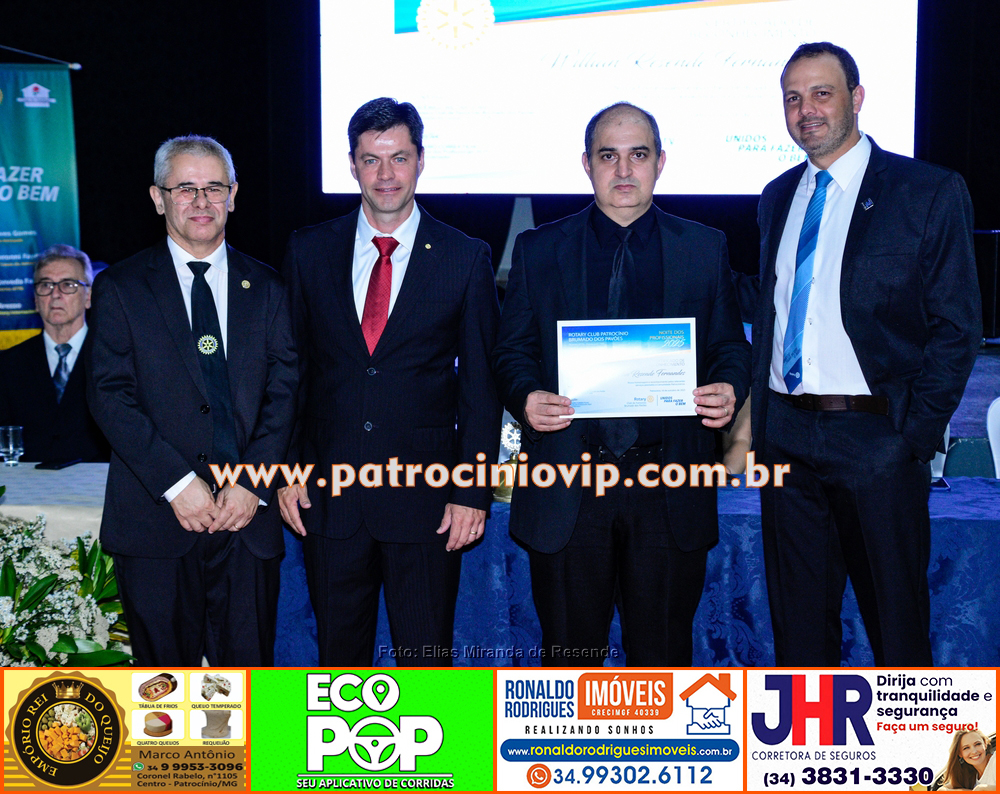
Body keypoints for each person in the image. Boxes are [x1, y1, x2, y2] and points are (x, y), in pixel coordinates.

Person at [492, 102, 750, 666]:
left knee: (662, 662)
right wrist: (526, 396)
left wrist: (728, 386)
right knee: (569, 661)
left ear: (662, 162)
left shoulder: (703, 247)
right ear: (587, 164)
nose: (625, 170)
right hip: (569, 484)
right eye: (609, 156)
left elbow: (730, 347)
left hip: (668, 485)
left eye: (639, 155)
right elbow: (511, 352)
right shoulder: (539, 249)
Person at [748, 42, 981, 666]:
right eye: (793, 98)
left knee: (896, 630)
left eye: (821, 94)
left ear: (856, 98)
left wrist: (911, 436)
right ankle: (803, 734)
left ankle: (914, 735)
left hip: (877, 440)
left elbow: (958, 328)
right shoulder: (776, 195)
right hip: (785, 438)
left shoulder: (926, 190)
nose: (806, 110)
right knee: (798, 633)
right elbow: (773, 307)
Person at [278, 98, 501, 666]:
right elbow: (290, 374)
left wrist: (472, 490)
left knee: (427, 663)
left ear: (421, 161)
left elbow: (481, 389)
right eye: (371, 159)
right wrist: (286, 470)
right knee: (339, 668)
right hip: (328, 499)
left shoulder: (464, 257)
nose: (385, 174)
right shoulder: (308, 250)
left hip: (427, 502)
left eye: (399, 157)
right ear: (352, 164)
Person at [86, 135, 298, 665]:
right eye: (185, 188)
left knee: (246, 687)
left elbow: (285, 393)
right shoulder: (121, 287)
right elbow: (109, 395)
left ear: (233, 196)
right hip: (157, 520)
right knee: (165, 689)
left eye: (213, 188)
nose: (201, 201)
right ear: (158, 198)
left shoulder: (269, 288)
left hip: (247, 520)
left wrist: (251, 483)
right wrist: (178, 485)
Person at [0, 245, 110, 463]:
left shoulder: (115, 358)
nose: (55, 294)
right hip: (27, 483)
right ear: (35, 299)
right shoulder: (7, 364)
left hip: (98, 481)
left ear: (88, 296)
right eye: (46, 285)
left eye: (68, 285)